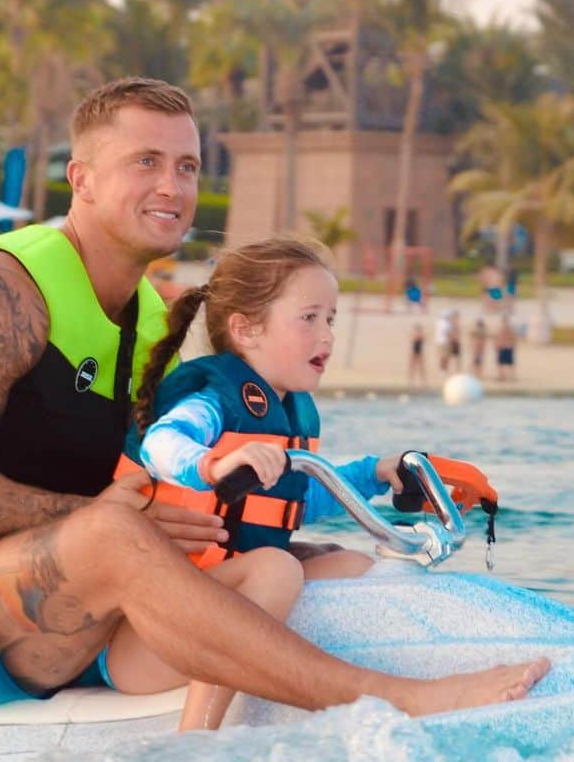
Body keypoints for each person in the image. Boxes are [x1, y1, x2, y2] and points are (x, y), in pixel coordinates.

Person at [0, 76, 549, 723]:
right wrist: (116, 518)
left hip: (80, 615)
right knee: (115, 531)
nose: (173, 186)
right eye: (145, 161)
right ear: (80, 178)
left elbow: (172, 484)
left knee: (307, 557)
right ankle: (396, 700)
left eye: (187, 167)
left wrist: (369, 479)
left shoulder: (154, 322)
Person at [121, 237, 418, 728]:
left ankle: (339, 684)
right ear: (246, 329)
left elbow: (299, 501)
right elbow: (162, 443)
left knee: (351, 564)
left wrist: (374, 474)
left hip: (211, 610)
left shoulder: (285, 412)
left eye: (331, 319)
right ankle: (196, 734)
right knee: (277, 569)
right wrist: (212, 466)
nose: (326, 335)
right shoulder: (214, 400)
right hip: (151, 633)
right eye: (309, 318)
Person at [435, 308, 461, 374]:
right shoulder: (445, 323)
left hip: (443, 342)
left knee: (445, 356)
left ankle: (443, 369)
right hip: (444, 342)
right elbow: (448, 333)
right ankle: (443, 369)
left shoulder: (441, 322)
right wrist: (452, 339)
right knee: (444, 356)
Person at [496, 313, 517, 382]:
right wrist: (497, 346)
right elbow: (498, 338)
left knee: (509, 363)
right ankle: (502, 376)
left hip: (507, 347)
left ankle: (511, 376)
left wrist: (511, 344)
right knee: (501, 363)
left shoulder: (509, 329)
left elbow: (514, 338)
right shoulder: (500, 329)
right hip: (503, 347)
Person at [409, 321, 427, 386]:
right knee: (413, 366)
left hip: (419, 351)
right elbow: (412, 341)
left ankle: (423, 381)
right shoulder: (414, 335)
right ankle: (411, 381)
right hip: (414, 351)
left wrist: (420, 337)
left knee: (421, 366)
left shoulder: (421, 335)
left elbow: (424, 341)